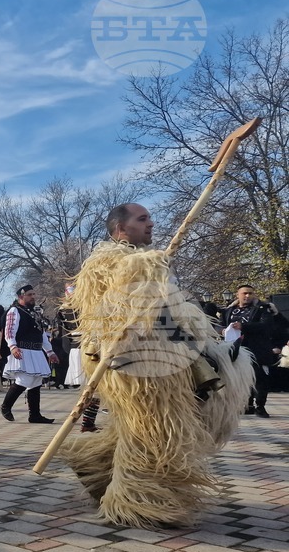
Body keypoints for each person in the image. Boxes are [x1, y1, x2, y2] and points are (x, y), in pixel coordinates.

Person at [57, 202, 254, 528]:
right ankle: (137, 501)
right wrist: (146, 269)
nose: (151, 223)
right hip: (137, 364)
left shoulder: (148, 261)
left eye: (149, 217)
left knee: (136, 429)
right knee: (152, 431)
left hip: (159, 358)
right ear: (121, 229)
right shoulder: (107, 261)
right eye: (142, 218)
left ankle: (96, 468)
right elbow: (120, 299)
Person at [221, 284, 280, 418]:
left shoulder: (262, 309)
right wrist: (222, 330)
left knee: (260, 379)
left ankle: (260, 406)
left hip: (257, 350)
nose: (247, 296)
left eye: (250, 293)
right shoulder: (229, 311)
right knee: (241, 379)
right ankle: (247, 405)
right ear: (238, 294)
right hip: (235, 350)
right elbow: (219, 325)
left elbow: (266, 326)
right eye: (245, 293)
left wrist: (244, 326)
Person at [1, 286, 58, 423]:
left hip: (37, 352)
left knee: (36, 382)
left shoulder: (35, 313)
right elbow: (9, 331)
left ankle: (35, 415)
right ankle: (6, 406)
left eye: (33, 294)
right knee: (24, 381)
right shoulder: (15, 311)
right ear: (21, 296)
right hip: (22, 351)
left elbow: (42, 334)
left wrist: (50, 352)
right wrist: (13, 346)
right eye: (29, 294)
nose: (33, 296)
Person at [56, 284, 100, 431]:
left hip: (81, 347)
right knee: (93, 388)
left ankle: (88, 422)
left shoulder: (64, 309)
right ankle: (87, 423)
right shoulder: (75, 308)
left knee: (92, 389)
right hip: (85, 347)